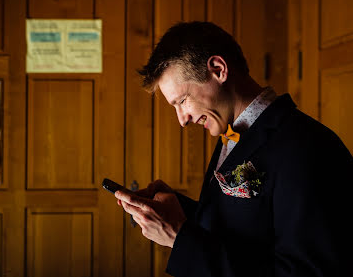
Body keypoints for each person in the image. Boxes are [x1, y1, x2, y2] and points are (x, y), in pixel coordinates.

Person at [115, 21, 353, 277]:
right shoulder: (233, 132)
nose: (182, 120)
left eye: (182, 101)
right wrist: (178, 211)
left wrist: (179, 237)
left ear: (218, 69)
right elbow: (250, 228)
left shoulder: (307, 148)